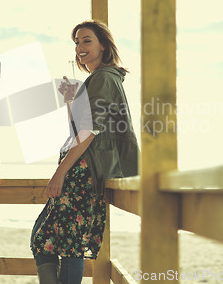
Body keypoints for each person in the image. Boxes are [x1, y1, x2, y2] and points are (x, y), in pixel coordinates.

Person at [30, 20, 139, 284]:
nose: (79, 46)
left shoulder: (102, 78)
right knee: (52, 241)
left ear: (103, 45)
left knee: (61, 245)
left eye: (86, 40)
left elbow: (90, 132)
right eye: (77, 42)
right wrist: (71, 100)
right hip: (84, 168)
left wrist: (60, 172)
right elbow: (83, 126)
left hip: (82, 171)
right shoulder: (101, 78)